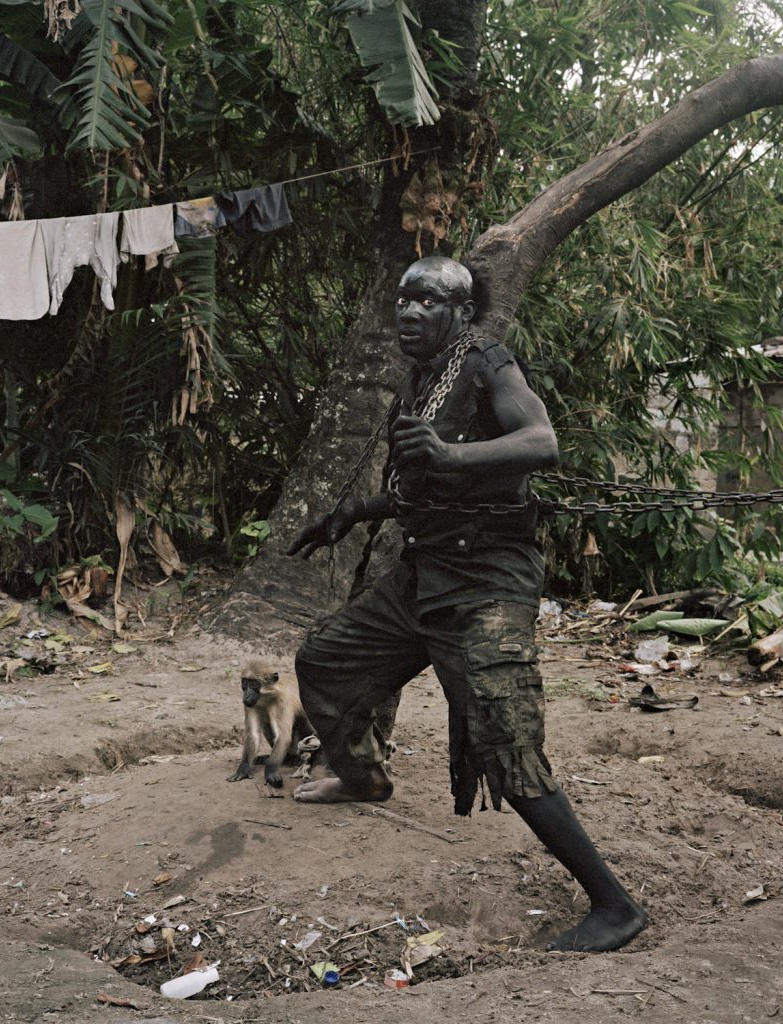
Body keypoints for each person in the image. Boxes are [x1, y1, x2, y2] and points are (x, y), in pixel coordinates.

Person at [285, 256, 647, 953]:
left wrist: (453, 459)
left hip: (486, 582)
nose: (409, 312)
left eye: (428, 301)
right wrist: (353, 513)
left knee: (506, 744)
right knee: (326, 658)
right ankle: (363, 777)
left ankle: (614, 905)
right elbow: (421, 486)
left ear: (458, 312)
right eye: (402, 299)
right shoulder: (422, 382)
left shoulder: (485, 362)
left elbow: (542, 442)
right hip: (425, 576)